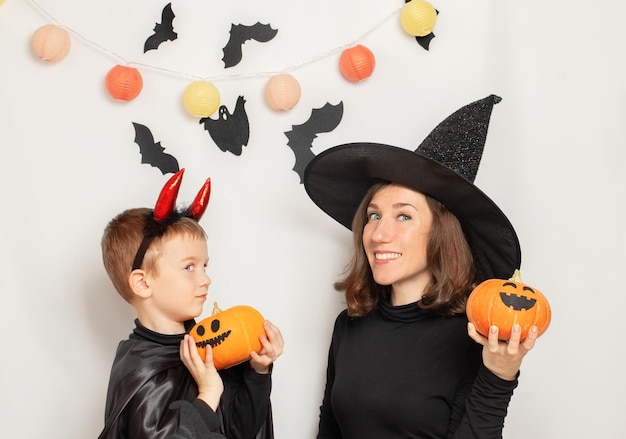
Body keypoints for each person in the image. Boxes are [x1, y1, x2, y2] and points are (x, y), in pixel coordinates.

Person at [303, 95, 539, 438]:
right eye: (373, 215)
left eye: (403, 216)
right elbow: (330, 430)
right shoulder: (349, 326)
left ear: (441, 235)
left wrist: (498, 378)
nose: (379, 234)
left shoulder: (474, 336)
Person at [98, 169, 284, 439]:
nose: (206, 279)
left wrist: (258, 371)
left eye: (204, 265)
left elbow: (239, 431)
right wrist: (208, 395)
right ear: (142, 283)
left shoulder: (203, 350)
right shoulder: (141, 371)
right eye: (189, 267)